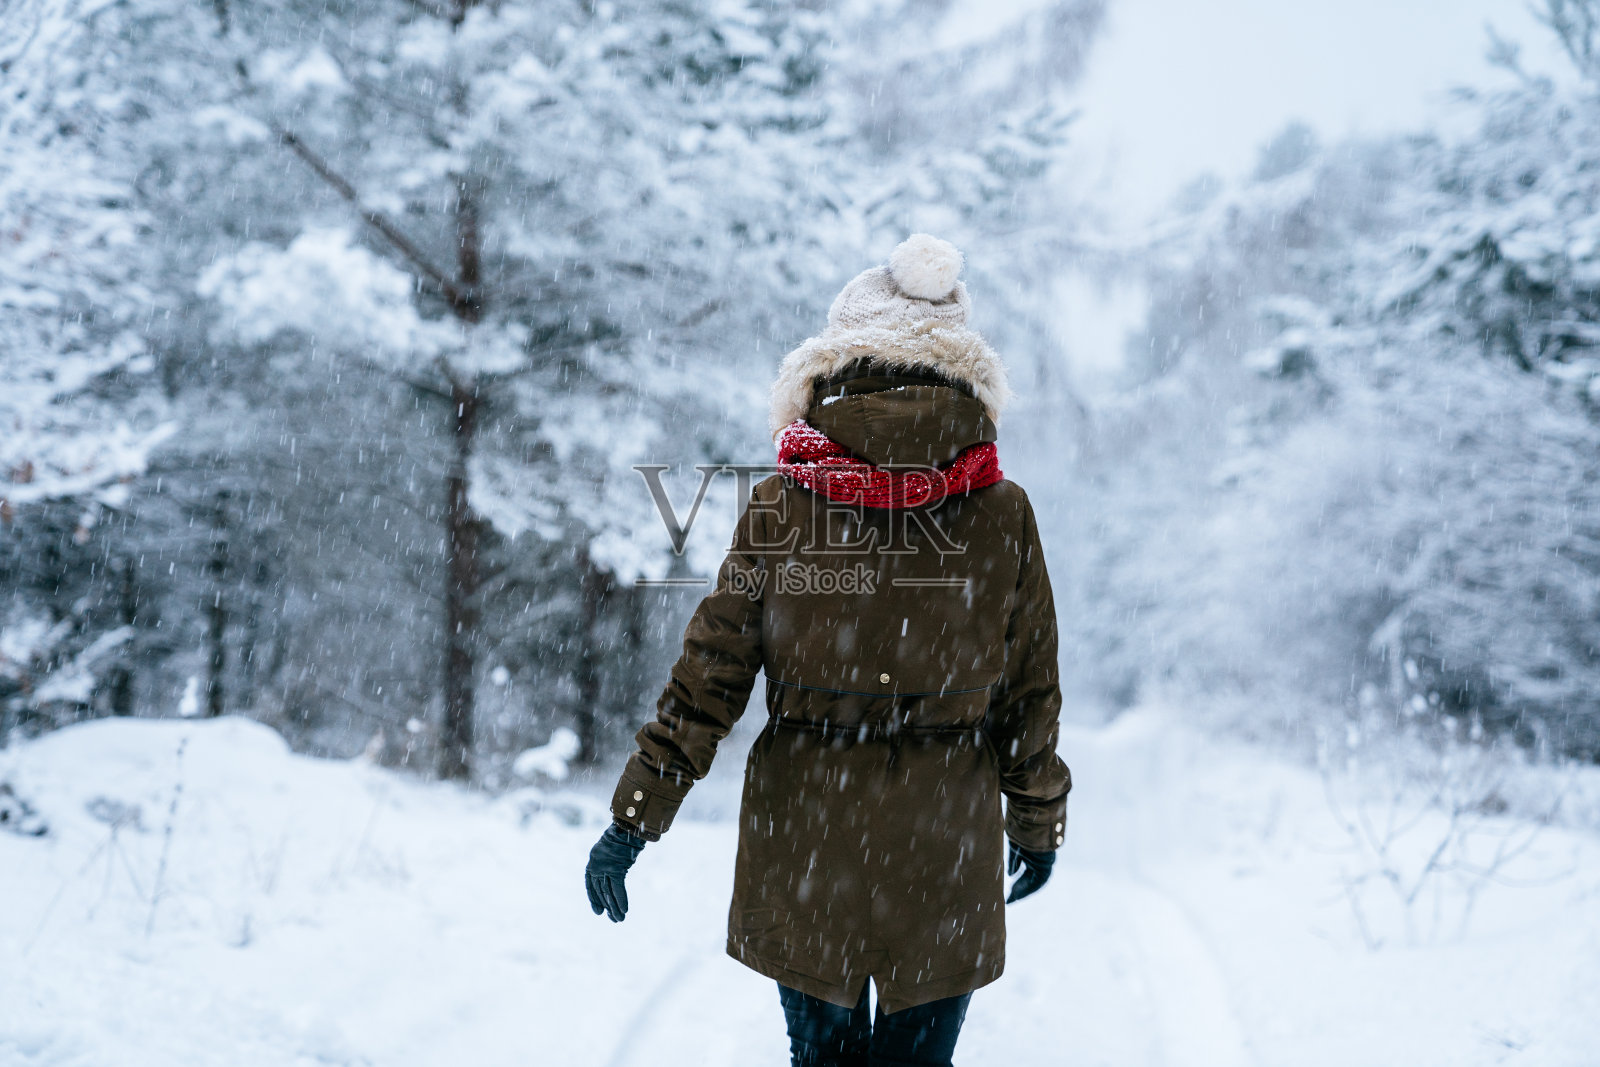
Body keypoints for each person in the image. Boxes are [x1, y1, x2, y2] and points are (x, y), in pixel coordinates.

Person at [585, 234, 1072, 1067]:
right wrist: (1036, 823)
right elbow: (1028, 695)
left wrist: (635, 817)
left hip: (808, 832)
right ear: (964, 370)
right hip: (942, 842)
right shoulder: (1001, 513)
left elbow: (710, 679)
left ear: (832, 364)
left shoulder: (780, 505)